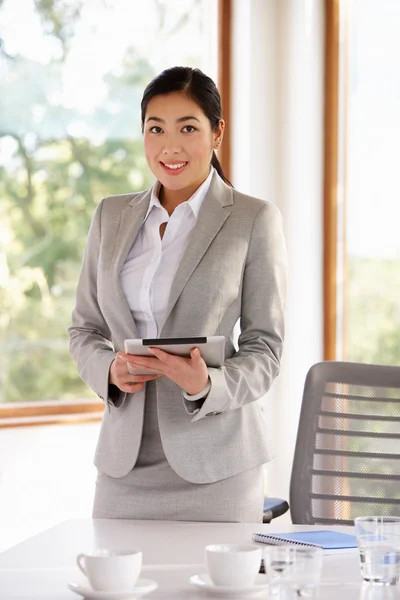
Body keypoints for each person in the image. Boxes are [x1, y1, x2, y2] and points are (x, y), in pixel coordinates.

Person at [68, 66, 287, 523]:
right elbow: (85, 328)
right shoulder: (111, 216)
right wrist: (109, 369)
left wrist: (207, 384)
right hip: (123, 468)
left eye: (188, 127)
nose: (170, 146)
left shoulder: (252, 219)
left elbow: (264, 348)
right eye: (156, 129)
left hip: (218, 466)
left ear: (216, 133)